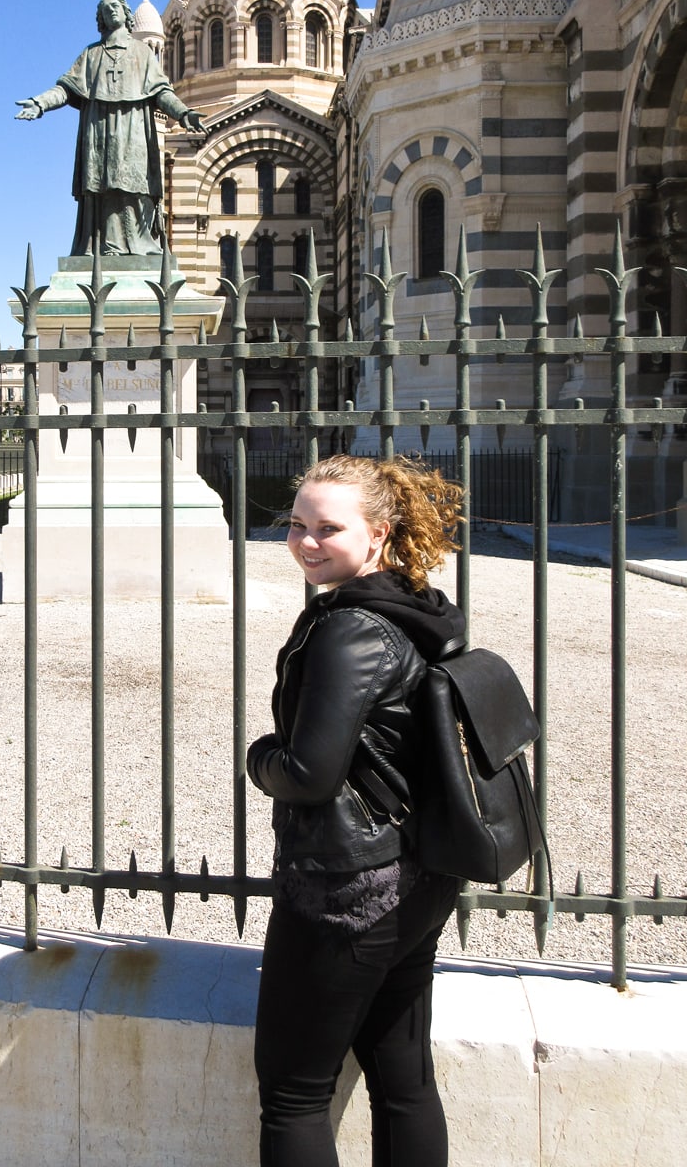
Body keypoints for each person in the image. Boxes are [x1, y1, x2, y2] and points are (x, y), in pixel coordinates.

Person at [247, 454, 466, 1167]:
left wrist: (258, 756)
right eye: (297, 524)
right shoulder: (413, 605)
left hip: (345, 893)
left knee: (294, 1096)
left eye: (328, 528)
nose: (307, 542)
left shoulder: (351, 627)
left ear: (379, 532)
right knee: (404, 1084)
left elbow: (308, 773)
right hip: (416, 881)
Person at [15, 0, 205, 256]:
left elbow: (161, 92)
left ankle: (139, 244)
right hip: (99, 130)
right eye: (105, 10)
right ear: (100, 19)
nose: (110, 12)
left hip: (134, 127)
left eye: (115, 7)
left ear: (127, 15)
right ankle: (104, 245)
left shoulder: (142, 53)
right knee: (101, 186)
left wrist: (183, 113)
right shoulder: (91, 55)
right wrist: (40, 103)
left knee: (135, 183)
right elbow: (67, 89)